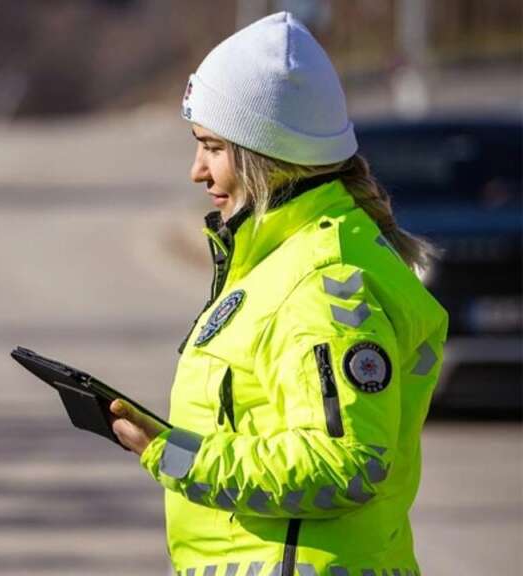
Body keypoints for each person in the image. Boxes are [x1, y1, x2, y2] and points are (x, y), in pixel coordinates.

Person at [108, 13, 447, 576]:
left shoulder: (323, 282)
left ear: (265, 155)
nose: (197, 170)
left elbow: (346, 464)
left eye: (211, 146)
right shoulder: (281, 263)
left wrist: (174, 454)